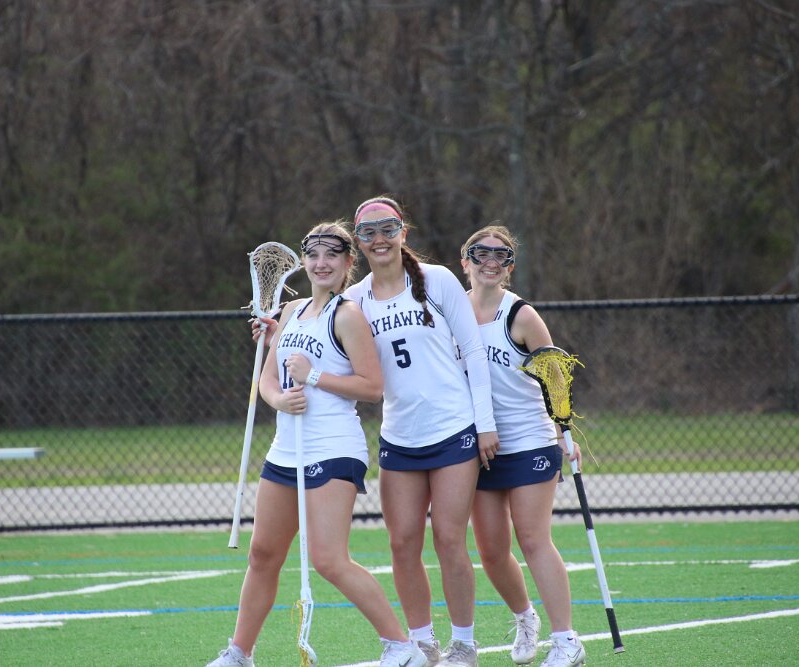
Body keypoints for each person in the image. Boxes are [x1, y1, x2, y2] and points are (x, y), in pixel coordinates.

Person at [209, 221, 427, 667]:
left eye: (332, 255)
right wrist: (279, 400)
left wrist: (314, 377)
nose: (321, 263)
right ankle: (239, 653)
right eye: (313, 254)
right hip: (286, 449)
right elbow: (268, 381)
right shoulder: (291, 311)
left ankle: (402, 647)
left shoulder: (347, 315)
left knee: (329, 559)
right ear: (304, 261)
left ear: (348, 263)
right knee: (262, 554)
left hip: (333, 447)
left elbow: (372, 387)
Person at [342, 196, 501, 667]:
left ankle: (464, 644)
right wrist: (276, 332)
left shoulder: (438, 281)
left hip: (452, 430)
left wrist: (485, 424)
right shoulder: (355, 300)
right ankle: (422, 642)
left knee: (449, 540)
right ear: (359, 242)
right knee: (402, 543)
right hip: (400, 436)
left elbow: (474, 351)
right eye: (368, 232)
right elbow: (319, 335)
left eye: (387, 229)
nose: (379, 239)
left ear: (402, 232)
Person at [459, 225, 586, 667]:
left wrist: (566, 434)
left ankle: (566, 640)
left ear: (510, 267)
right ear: (465, 261)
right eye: (481, 254)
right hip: (479, 446)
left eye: (502, 256)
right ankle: (524, 617)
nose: (491, 262)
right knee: (492, 551)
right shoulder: (451, 312)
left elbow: (554, 376)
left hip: (530, 438)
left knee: (532, 539)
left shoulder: (521, 316)